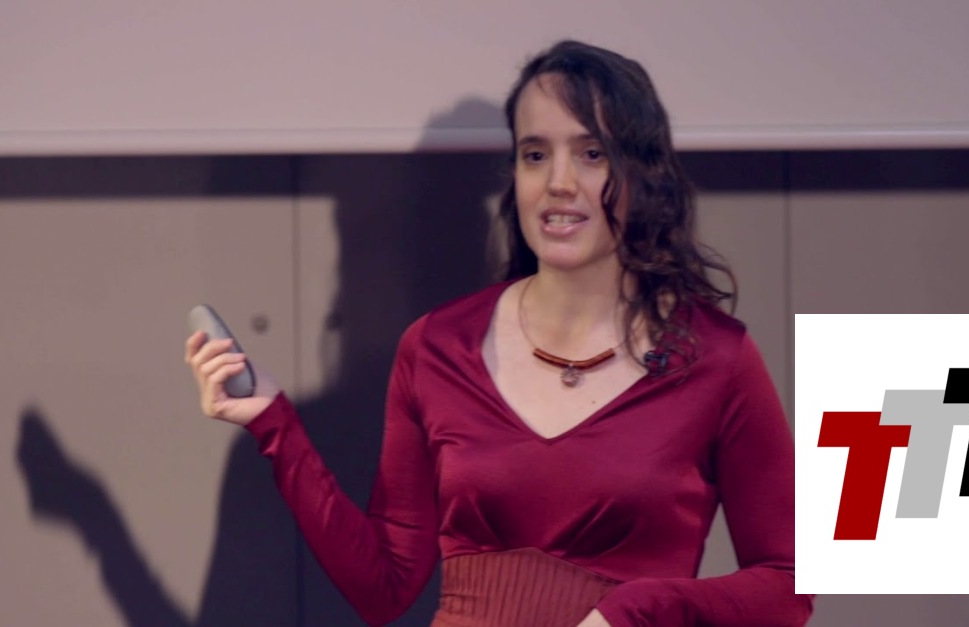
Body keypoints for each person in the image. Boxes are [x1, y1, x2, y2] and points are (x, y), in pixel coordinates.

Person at [185, 40, 812, 627]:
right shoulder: (436, 348)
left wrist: (641, 609)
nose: (558, 181)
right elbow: (384, 587)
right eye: (535, 154)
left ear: (643, 174)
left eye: (591, 154)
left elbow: (789, 584)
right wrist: (273, 423)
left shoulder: (716, 357)